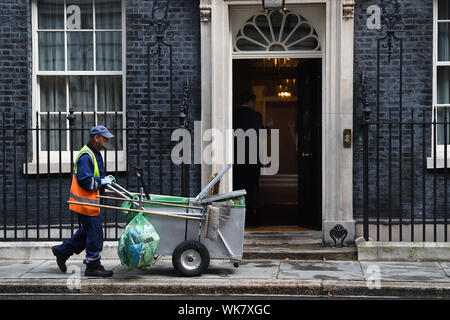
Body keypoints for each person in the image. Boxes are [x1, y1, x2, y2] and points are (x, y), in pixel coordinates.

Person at [52, 125, 116, 277]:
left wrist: (104, 181)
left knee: (87, 232)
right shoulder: (87, 156)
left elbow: (94, 177)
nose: (107, 140)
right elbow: (85, 181)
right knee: (95, 233)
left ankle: (62, 251)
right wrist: (102, 181)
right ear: (96, 138)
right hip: (86, 203)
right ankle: (93, 266)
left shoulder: (94, 153)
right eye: (105, 137)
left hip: (90, 202)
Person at [233, 91, 264, 227]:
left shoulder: (233, 114)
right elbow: (261, 134)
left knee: (238, 184)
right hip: (252, 156)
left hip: (236, 156)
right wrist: (268, 126)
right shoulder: (256, 116)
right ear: (251, 102)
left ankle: (238, 211)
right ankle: (254, 210)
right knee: (252, 185)